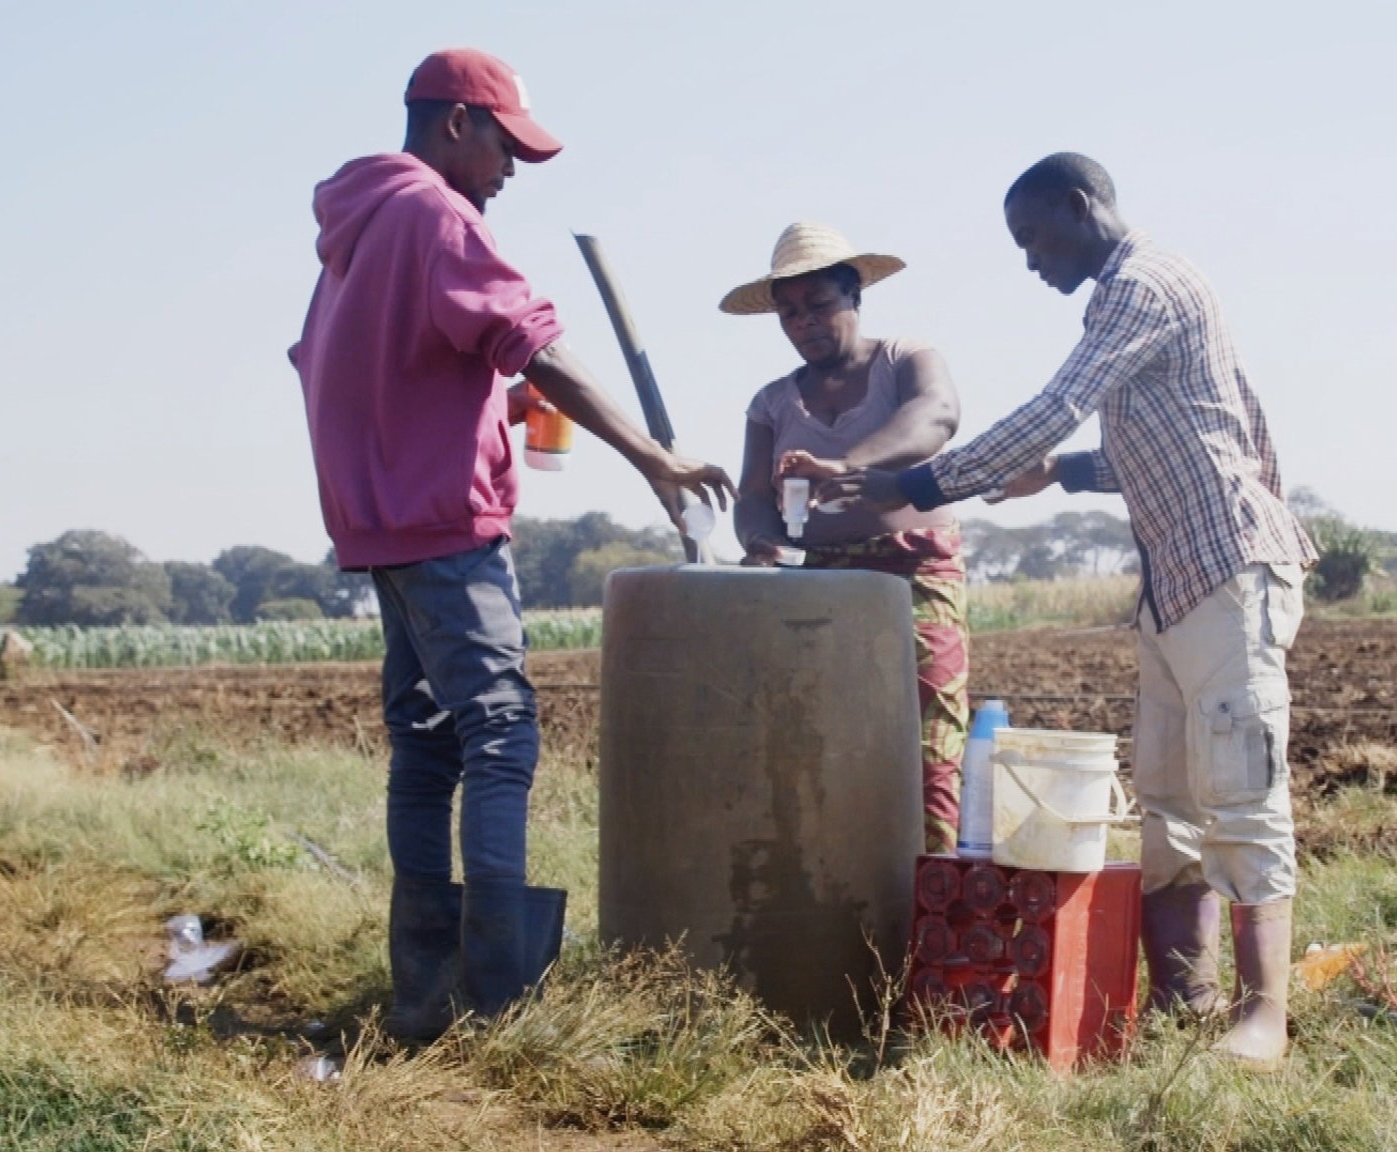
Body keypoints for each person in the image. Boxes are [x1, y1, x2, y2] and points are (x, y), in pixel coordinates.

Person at [819, 154, 1316, 1067]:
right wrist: (1061, 473)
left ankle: (1265, 1019)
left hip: (1228, 569)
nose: (1029, 260)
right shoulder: (1128, 300)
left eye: (1033, 237)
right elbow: (1171, 437)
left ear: (1082, 209)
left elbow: (1058, 405)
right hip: (1174, 584)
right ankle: (1185, 998)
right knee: (1167, 802)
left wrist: (914, 485)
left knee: (1241, 792)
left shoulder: (1146, 286)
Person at [289, 47, 734, 1044]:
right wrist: (653, 458)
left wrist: (484, 402)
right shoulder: (434, 216)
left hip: (380, 529)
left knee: (425, 745)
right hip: (446, 527)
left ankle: (420, 992)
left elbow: (359, 367)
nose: (513, 170)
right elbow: (535, 341)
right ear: (455, 123)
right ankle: (497, 1000)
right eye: (506, 145)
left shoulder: (354, 230)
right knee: (499, 735)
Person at [722, 222, 970, 854]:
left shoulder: (906, 360)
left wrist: (848, 468)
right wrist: (759, 542)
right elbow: (753, 496)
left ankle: (933, 890)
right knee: (818, 737)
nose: (804, 322)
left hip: (914, 572)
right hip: (817, 578)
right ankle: (841, 894)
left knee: (927, 739)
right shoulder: (772, 402)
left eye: (819, 306)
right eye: (789, 313)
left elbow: (935, 417)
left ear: (854, 298)